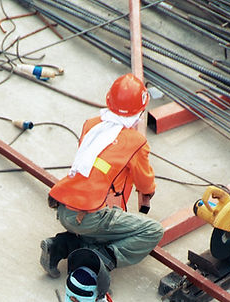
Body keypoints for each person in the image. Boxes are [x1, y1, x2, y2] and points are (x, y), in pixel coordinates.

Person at [41, 73, 163, 278]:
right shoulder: (136, 142)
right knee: (152, 231)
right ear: (140, 112)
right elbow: (144, 182)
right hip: (89, 216)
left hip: (64, 207)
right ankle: (100, 259)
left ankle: (58, 247)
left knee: (102, 226)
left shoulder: (92, 124)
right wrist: (148, 193)